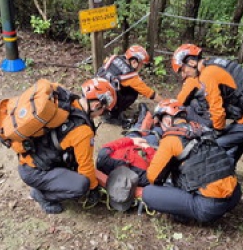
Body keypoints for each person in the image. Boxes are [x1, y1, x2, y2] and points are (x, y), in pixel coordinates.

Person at [17, 78, 117, 214]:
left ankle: (50, 182)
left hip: (29, 159)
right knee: (81, 185)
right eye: (104, 111)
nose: (101, 115)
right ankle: (42, 195)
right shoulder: (83, 131)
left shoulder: (68, 102)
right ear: (97, 105)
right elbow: (86, 167)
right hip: (36, 172)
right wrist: (93, 189)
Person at [142, 99, 242, 223]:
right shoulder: (203, 129)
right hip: (235, 195)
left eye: (160, 125)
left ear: (167, 120)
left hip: (209, 207)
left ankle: (184, 214)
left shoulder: (171, 139)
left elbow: (153, 177)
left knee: (148, 193)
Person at [172, 44, 243, 163]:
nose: (184, 75)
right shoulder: (211, 64)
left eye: (183, 70)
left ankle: (222, 174)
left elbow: (217, 109)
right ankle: (229, 170)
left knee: (217, 145)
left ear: (192, 63)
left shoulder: (207, 75)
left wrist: (217, 132)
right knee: (235, 142)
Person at [96, 103, 162, 187]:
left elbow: (114, 145)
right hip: (145, 153)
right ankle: (158, 121)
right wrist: (148, 149)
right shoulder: (137, 177)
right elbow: (155, 171)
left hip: (131, 145)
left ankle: (144, 116)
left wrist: (131, 141)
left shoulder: (103, 159)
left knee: (135, 132)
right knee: (155, 135)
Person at [95, 45, 163, 123]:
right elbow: (150, 94)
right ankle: (112, 115)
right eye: (141, 64)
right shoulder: (130, 76)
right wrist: (164, 102)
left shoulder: (113, 58)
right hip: (105, 101)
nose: (141, 67)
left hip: (96, 92)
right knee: (133, 93)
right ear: (134, 61)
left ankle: (107, 108)